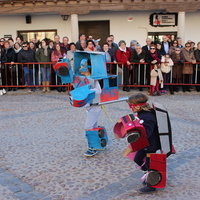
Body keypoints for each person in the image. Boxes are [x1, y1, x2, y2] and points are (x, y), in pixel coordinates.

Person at [127, 93, 161, 193]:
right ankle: (148, 174)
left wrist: (135, 133)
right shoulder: (143, 114)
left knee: (150, 164)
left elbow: (147, 132)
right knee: (138, 159)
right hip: (144, 144)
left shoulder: (147, 117)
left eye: (131, 106)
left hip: (150, 145)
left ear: (138, 106)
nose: (130, 108)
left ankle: (151, 185)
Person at [79, 60, 102, 157]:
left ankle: (92, 148)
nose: (80, 69)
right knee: (93, 127)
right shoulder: (82, 78)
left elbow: (98, 90)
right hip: (88, 106)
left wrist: (88, 90)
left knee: (88, 127)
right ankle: (98, 144)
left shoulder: (93, 79)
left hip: (95, 106)